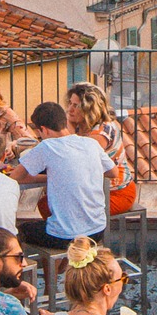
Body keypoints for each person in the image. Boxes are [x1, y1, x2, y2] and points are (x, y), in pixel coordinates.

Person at [14, 101, 115, 255]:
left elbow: (15, 177)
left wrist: (50, 178)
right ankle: (66, 267)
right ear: (65, 121)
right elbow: (113, 172)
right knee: (53, 219)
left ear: (43, 130)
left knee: (19, 231)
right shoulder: (90, 143)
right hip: (97, 230)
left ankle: (40, 277)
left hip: (65, 237)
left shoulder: (47, 146)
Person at [66, 81, 138, 217]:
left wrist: (68, 126)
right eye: (70, 103)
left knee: (65, 209)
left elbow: (79, 157)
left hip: (115, 192)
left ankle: (83, 237)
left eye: (75, 106)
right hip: (93, 191)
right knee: (48, 203)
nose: (70, 109)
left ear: (89, 108)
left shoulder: (103, 131)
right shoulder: (80, 125)